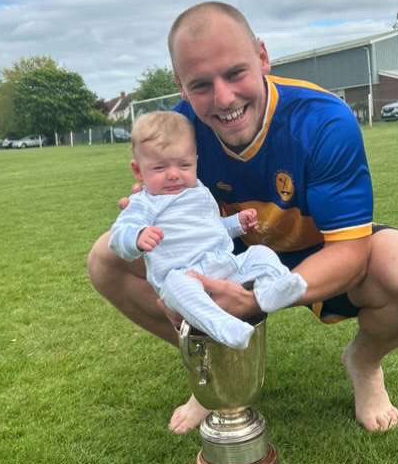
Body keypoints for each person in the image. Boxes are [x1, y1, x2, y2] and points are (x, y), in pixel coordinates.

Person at [88, 2, 398, 434]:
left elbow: (350, 251)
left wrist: (258, 300)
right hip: (226, 254)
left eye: (235, 73)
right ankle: (214, 364)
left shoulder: (322, 119)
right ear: (180, 86)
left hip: (318, 249)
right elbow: (155, 205)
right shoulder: (178, 130)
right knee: (106, 258)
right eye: (201, 84)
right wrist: (147, 225)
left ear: (262, 57)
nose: (224, 98)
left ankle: (365, 362)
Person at [107, 110, 307, 350]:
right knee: (176, 286)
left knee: (260, 253)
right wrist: (137, 236)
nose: (174, 175)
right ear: (138, 171)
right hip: (184, 275)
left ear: (196, 161)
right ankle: (224, 326)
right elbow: (118, 235)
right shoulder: (144, 203)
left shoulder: (199, 192)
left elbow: (212, 228)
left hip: (223, 265)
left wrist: (236, 223)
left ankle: (273, 289)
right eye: (159, 168)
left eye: (184, 165)